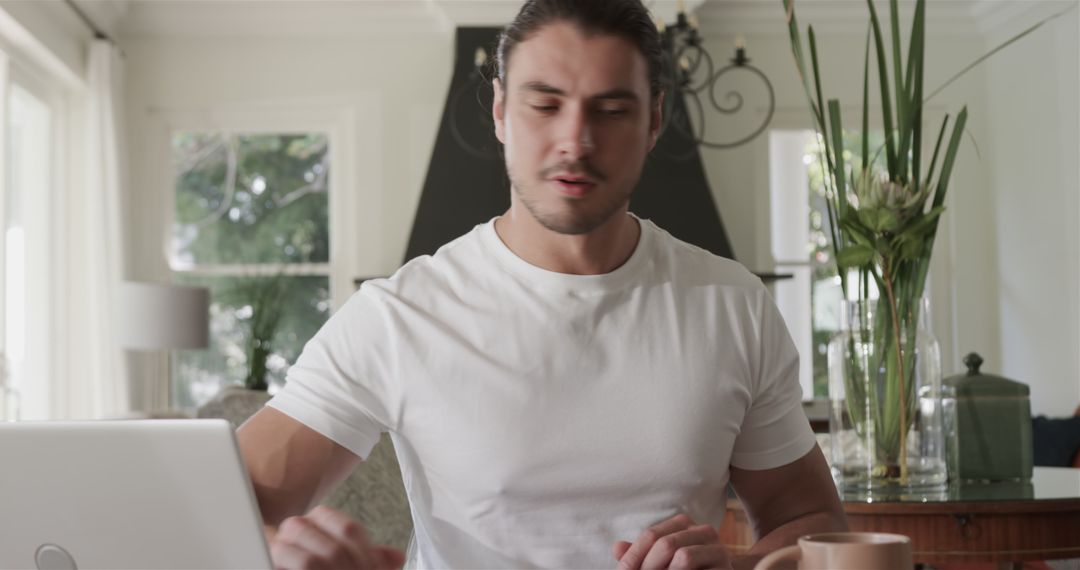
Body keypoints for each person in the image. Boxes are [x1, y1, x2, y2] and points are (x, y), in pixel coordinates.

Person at [237, 0, 848, 568]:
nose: (576, 141)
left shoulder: (734, 305)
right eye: (545, 104)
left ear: (655, 117)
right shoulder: (398, 316)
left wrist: (740, 566)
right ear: (501, 110)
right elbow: (219, 500)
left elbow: (812, 518)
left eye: (611, 110)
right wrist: (282, 554)